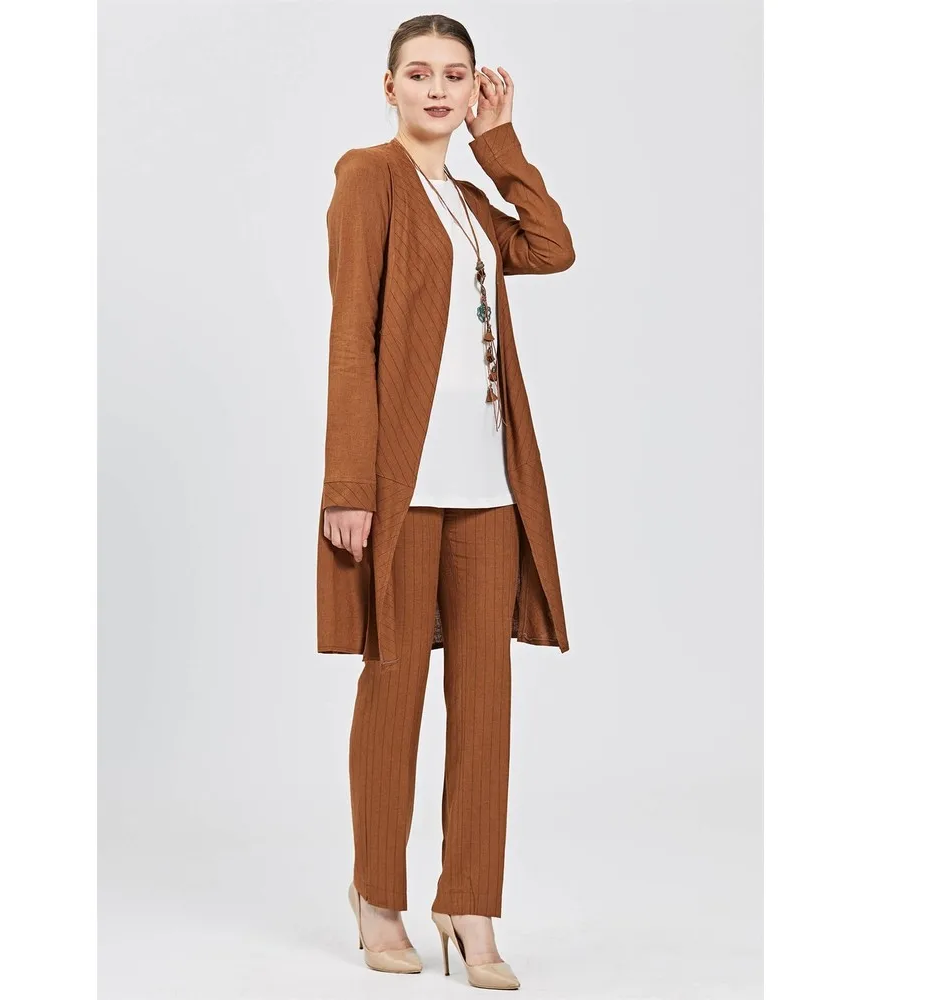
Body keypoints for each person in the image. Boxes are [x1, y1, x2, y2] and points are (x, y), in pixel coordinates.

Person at [316, 13, 575, 990]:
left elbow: (551, 247)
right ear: (388, 87)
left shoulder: (469, 199)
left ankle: (469, 904)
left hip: (489, 489)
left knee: (485, 703)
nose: (436, 89)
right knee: (393, 688)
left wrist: (499, 146)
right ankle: (377, 897)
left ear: (474, 90)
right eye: (419, 73)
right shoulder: (368, 177)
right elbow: (352, 335)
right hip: (401, 489)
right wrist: (349, 486)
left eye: (454, 75)